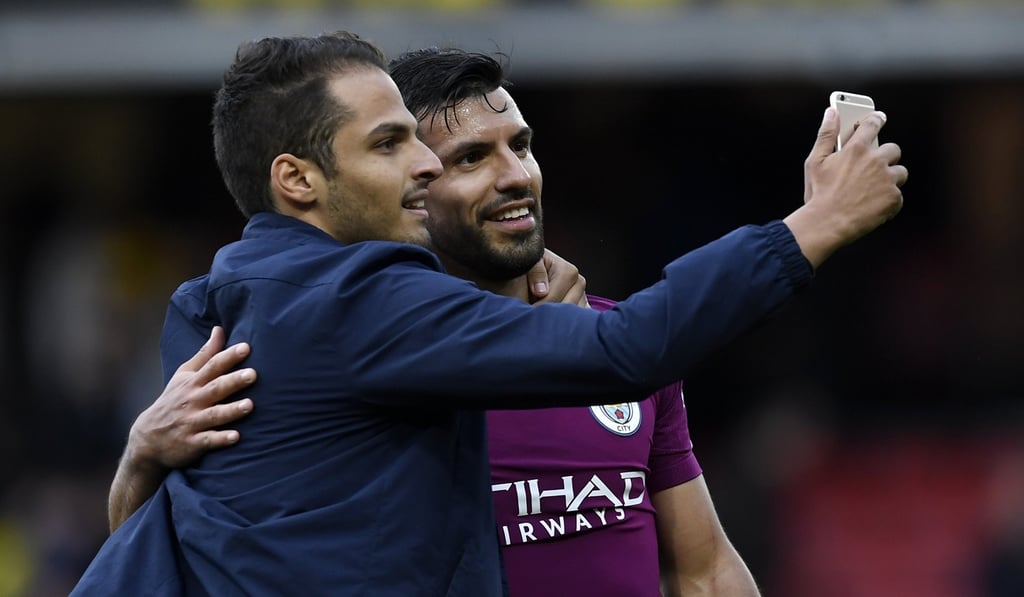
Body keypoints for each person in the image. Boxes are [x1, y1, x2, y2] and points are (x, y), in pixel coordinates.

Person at [72, 30, 906, 596]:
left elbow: (705, 568)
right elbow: (629, 347)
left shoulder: (225, 313)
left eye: (522, 146)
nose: (429, 167)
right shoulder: (356, 310)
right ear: (297, 178)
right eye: (409, 147)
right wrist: (816, 223)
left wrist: (140, 462)